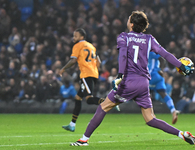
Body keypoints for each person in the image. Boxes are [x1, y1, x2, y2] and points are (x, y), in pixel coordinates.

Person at [70, 11, 195, 146]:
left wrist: (120, 76)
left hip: (128, 82)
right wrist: (181, 66)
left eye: (129, 18)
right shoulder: (149, 39)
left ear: (132, 24)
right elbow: (166, 54)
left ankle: (83, 140)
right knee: (150, 119)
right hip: (143, 83)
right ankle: (181, 134)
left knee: (103, 107)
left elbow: (123, 56)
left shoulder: (124, 37)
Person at [60, 28, 104, 132]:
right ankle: (72, 124)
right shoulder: (91, 46)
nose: (73, 38)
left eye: (75, 36)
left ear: (82, 37)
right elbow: (99, 61)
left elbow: (73, 60)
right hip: (93, 73)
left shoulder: (77, 45)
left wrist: (63, 69)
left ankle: (108, 102)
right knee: (78, 98)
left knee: (88, 99)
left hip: (86, 74)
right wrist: (94, 69)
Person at [148, 51, 179, 124]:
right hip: (159, 75)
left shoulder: (147, 51)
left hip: (151, 75)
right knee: (163, 94)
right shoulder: (154, 50)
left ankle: (150, 115)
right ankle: (173, 110)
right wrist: (161, 69)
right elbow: (162, 59)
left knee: (143, 94)